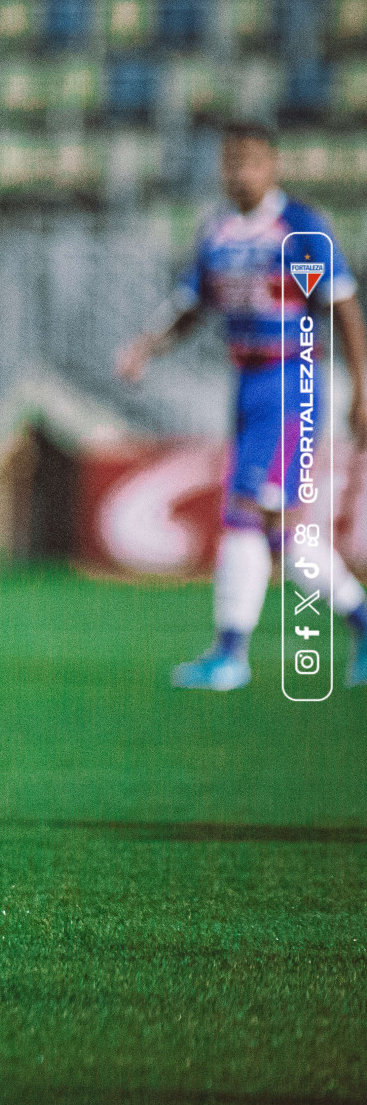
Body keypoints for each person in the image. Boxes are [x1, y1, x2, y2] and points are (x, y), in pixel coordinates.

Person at [118, 120, 367, 691]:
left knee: (243, 510)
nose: (242, 172)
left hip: (290, 383)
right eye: (233, 161)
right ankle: (362, 624)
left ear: (273, 165)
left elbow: (340, 307)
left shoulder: (297, 230)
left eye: (253, 161)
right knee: (280, 534)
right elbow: (191, 306)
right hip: (248, 384)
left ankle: (229, 655)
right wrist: (145, 348)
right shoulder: (221, 234)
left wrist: (361, 389)